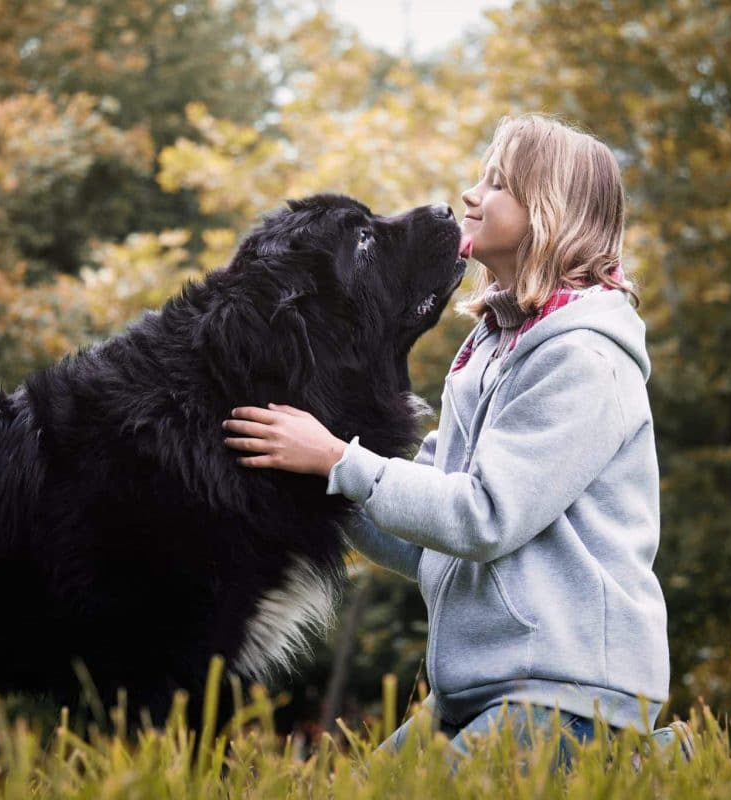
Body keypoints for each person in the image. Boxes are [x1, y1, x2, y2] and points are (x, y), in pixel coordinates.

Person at [220, 113, 692, 767]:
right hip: (473, 693)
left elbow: (483, 517)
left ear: (550, 213)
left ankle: (639, 761)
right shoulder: (492, 347)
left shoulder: (583, 360)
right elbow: (426, 534)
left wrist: (337, 458)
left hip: (564, 697)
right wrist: (316, 476)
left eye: (498, 184)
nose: (472, 195)